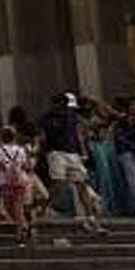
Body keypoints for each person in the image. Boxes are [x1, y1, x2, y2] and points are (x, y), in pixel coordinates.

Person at [41, 93, 105, 233]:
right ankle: (42, 207)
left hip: (72, 152)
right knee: (57, 183)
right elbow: (45, 135)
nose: (64, 108)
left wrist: (82, 151)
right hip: (56, 152)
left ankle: (90, 217)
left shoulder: (71, 116)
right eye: (61, 105)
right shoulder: (48, 118)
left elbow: (78, 133)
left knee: (82, 183)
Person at [0, 126, 35, 247]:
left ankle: (21, 231)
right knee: (18, 207)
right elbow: (26, 166)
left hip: (5, 181)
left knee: (8, 206)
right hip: (20, 180)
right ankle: (22, 229)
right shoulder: (20, 150)